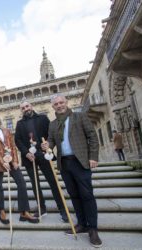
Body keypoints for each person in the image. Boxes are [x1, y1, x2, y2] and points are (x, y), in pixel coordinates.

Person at [41, 94, 102, 248]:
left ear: (66, 103)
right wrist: (46, 146)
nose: (59, 105)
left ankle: (93, 229)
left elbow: (92, 136)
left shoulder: (79, 117)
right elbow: (51, 141)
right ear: (53, 107)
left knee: (87, 195)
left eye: (61, 102)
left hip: (80, 161)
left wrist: (93, 157)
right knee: (74, 195)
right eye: (56, 104)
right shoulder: (53, 124)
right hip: (65, 164)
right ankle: (82, 224)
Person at [14, 100, 68, 222]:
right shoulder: (19, 123)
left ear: (31, 106)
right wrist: (26, 152)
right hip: (29, 158)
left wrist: (48, 144)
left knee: (53, 182)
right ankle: (41, 208)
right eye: (23, 108)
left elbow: (51, 134)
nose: (26, 109)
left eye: (27, 106)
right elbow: (17, 140)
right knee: (35, 184)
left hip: (44, 155)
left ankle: (62, 209)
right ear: (21, 110)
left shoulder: (43, 118)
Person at [0, 113, 39, 224]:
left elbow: (13, 146)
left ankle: (24, 212)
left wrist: (15, 161)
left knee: (22, 183)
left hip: (10, 160)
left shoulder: (7, 131)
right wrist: (2, 162)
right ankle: (1, 211)